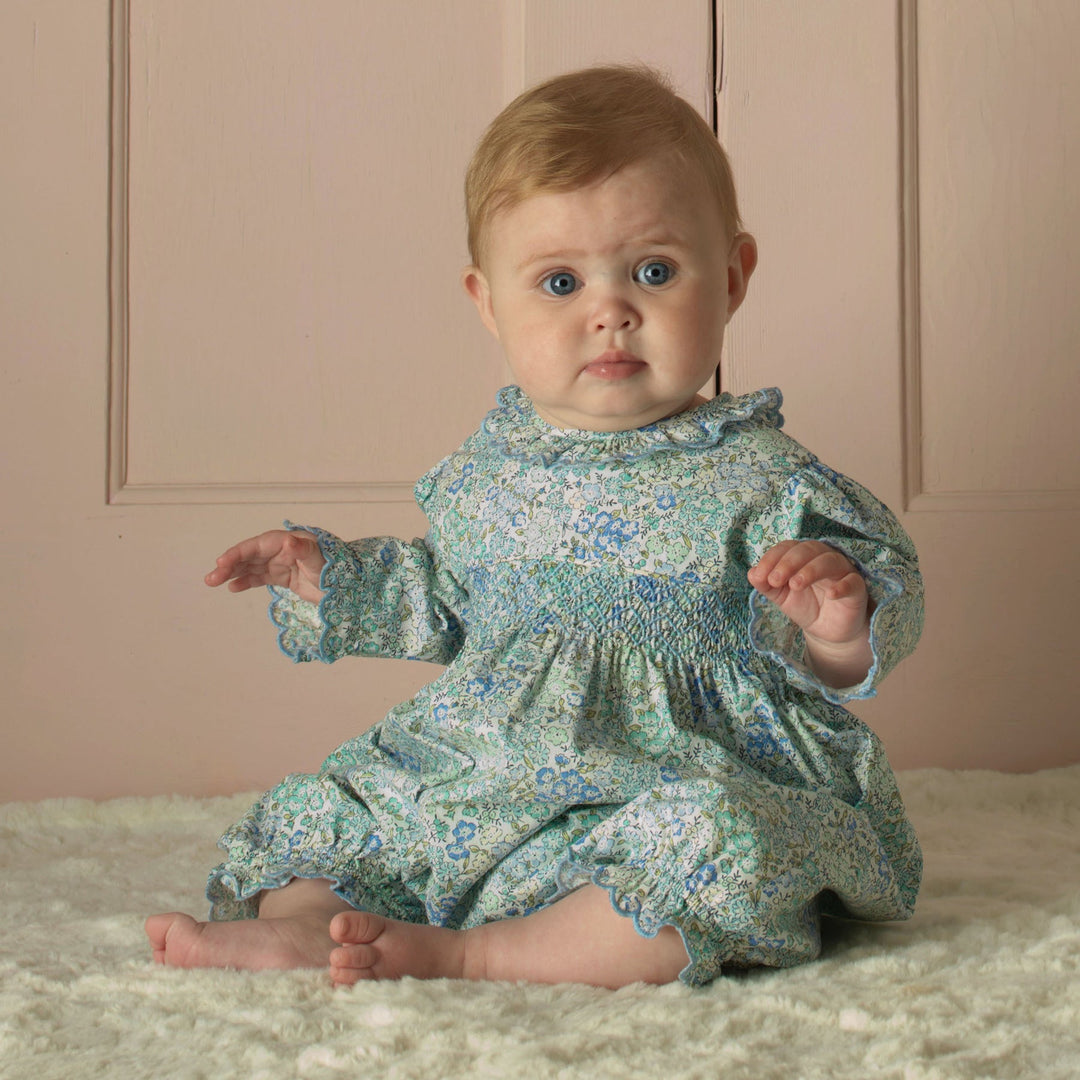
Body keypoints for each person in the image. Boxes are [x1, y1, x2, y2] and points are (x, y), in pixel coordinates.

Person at [146, 64, 923, 989]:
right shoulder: (492, 472)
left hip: (673, 778)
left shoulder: (765, 480)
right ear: (487, 303)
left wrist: (838, 617)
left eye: (654, 271)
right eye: (559, 281)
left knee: (722, 847)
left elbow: (857, 639)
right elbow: (448, 597)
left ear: (732, 275)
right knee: (351, 807)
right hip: (486, 772)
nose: (610, 312)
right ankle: (312, 922)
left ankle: (484, 954)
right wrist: (330, 575)